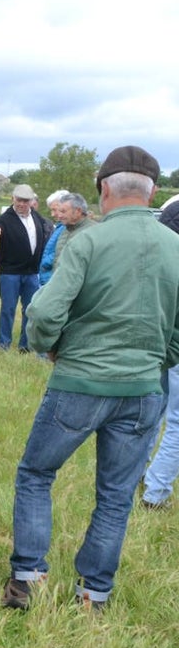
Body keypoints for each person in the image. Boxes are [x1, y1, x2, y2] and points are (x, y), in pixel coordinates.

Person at [0, 145, 179, 611]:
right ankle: (93, 595)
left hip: (79, 382)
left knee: (37, 473)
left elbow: (43, 312)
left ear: (103, 189)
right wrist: (157, 361)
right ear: (153, 191)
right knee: (116, 495)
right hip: (143, 389)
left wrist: (52, 348)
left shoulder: (87, 242)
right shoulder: (175, 246)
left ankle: (27, 581)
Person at [141, 206, 179, 508]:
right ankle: (155, 492)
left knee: (154, 409)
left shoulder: (160, 252)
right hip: (169, 340)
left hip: (159, 338)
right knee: (176, 421)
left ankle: (139, 472)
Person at [0, 183, 51, 352]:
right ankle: (4, 344)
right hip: (10, 273)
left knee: (30, 310)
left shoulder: (37, 218)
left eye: (25, 201)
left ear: (31, 201)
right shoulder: (4, 219)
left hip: (32, 272)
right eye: (19, 201)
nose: (22, 204)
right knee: (8, 308)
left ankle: (25, 345)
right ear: (13, 199)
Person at [53, 191, 97, 264]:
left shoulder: (94, 232)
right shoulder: (64, 231)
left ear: (78, 211)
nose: (59, 216)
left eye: (63, 211)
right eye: (59, 212)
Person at [36, 190, 69, 286]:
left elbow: (62, 252)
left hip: (54, 280)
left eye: (54, 209)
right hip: (48, 279)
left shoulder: (68, 228)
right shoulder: (60, 226)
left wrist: (45, 263)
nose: (52, 214)